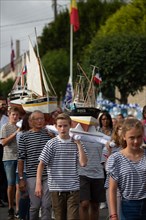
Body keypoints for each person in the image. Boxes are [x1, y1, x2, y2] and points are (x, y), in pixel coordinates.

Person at [35, 113, 88, 220]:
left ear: (70, 126)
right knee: (60, 217)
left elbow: (83, 163)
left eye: (65, 126)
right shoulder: (51, 143)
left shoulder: (77, 143)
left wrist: (78, 144)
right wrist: (38, 184)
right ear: (56, 127)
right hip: (56, 188)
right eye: (60, 126)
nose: (63, 129)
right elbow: (41, 164)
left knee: (72, 218)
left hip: (73, 188)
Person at [107, 118, 146, 220]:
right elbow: (112, 189)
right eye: (132, 138)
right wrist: (113, 215)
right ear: (124, 136)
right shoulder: (116, 158)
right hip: (128, 207)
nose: (136, 141)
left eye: (139, 137)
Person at [18, 110, 52, 220]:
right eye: (37, 119)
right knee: (35, 206)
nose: (40, 121)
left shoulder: (49, 134)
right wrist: (21, 178)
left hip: (48, 174)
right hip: (32, 175)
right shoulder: (24, 137)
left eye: (42, 118)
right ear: (31, 121)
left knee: (46, 205)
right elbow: (20, 159)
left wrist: (53, 137)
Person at [1, 107, 20, 219]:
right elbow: (3, 142)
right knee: (11, 184)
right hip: (8, 158)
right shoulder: (5, 127)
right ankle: (10, 207)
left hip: (20, 158)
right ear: (9, 115)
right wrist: (15, 133)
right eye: (13, 114)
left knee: (19, 184)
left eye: (17, 115)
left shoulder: (20, 127)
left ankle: (17, 208)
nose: (15, 117)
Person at [101, 121, 124, 218]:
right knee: (115, 215)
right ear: (116, 131)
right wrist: (110, 151)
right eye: (120, 129)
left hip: (127, 186)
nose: (122, 132)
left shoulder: (131, 146)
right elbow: (107, 168)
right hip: (113, 186)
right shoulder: (109, 147)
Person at [16, 113, 31, 220]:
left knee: (32, 199)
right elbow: (21, 155)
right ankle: (22, 217)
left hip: (34, 170)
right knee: (25, 196)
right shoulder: (21, 134)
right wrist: (21, 177)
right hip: (24, 170)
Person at [0, 103, 9, 207]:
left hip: (3, 147)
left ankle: (4, 197)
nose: (2, 106)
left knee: (3, 173)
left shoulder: (6, 119)